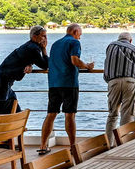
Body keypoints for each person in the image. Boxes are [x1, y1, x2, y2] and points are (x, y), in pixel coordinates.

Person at [39, 23, 94, 154]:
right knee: (70, 115)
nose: (80, 37)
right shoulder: (74, 42)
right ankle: (73, 146)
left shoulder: (55, 44)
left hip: (53, 83)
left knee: (51, 114)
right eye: (80, 34)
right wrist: (87, 66)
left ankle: (42, 146)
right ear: (75, 32)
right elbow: (75, 60)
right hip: (69, 83)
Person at [103, 31, 135, 145]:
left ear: (118, 39)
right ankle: (123, 144)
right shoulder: (133, 48)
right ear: (130, 40)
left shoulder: (110, 46)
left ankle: (109, 143)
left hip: (112, 81)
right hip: (129, 81)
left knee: (112, 114)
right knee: (127, 113)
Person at [0, 25, 48, 108]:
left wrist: (29, 64)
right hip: (1, 84)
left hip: (4, 82)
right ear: (35, 37)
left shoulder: (29, 46)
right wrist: (44, 50)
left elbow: (24, 57)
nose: (45, 38)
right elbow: (45, 65)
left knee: (14, 109)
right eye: (43, 36)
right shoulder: (33, 48)